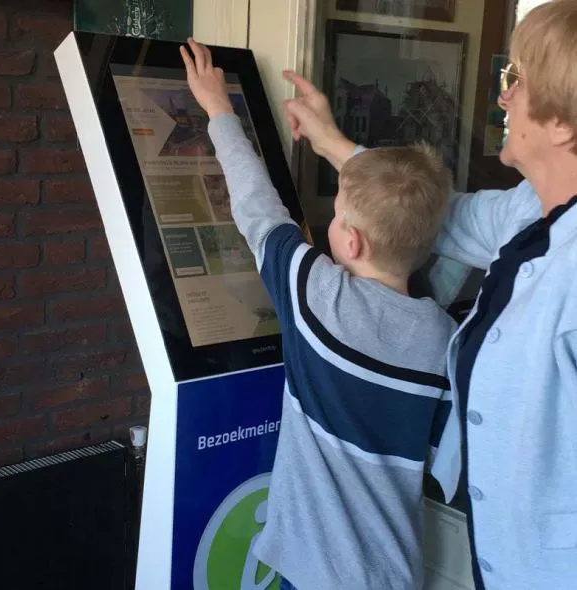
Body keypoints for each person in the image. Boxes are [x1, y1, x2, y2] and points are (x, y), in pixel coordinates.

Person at [282, 1, 577, 588]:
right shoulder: (529, 211)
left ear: (562, 123)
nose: (502, 98)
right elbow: (428, 216)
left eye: (515, 80)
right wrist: (330, 143)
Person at [180, 39, 460, 590]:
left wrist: (217, 110)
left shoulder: (317, 298)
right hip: (392, 574)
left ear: (351, 242)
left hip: (310, 572)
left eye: (335, 216)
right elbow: (439, 462)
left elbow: (257, 208)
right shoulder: (443, 338)